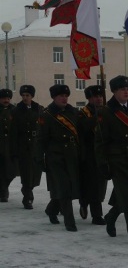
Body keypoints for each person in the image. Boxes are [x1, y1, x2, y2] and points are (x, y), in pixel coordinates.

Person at [95, 75, 128, 246]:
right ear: (114, 91)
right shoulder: (106, 111)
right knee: (127, 196)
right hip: (117, 158)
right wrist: (102, 163)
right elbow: (100, 141)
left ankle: (111, 216)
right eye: (122, 89)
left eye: (127, 89)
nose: (126, 92)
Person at [37, 85, 80, 232]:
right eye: (61, 96)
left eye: (66, 95)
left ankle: (51, 210)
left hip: (72, 156)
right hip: (55, 157)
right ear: (54, 97)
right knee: (64, 188)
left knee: (66, 187)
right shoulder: (47, 115)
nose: (64, 98)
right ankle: (70, 221)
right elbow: (41, 139)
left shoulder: (73, 112)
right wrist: (40, 159)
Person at [77, 85, 107, 225]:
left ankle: (96, 213)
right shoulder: (83, 113)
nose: (99, 99)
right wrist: (97, 116)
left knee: (100, 185)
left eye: (100, 96)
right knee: (89, 184)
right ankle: (87, 206)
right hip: (88, 154)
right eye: (95, 96)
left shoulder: (106, 111)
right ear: (89, 98)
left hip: (103, 153)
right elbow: (84, 127)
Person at [10, 85, 43, 209]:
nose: (25, 98)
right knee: (26, 173)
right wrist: (14, 151)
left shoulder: (38, 109)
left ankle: (29, 190)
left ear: (32, 96)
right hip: (23, 145)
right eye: (23, 95)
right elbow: (13, 133)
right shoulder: (16, 110)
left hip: (36, 145)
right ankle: (27, 197)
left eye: (27, 95)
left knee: (35, 173)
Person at [0, 89, 17, 202]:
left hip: (11, 145)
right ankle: (3, 192)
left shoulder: (14, 110)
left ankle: (3, 188)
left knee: (12, 171)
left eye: (8, 98)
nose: (6, 100)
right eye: (4, 98)